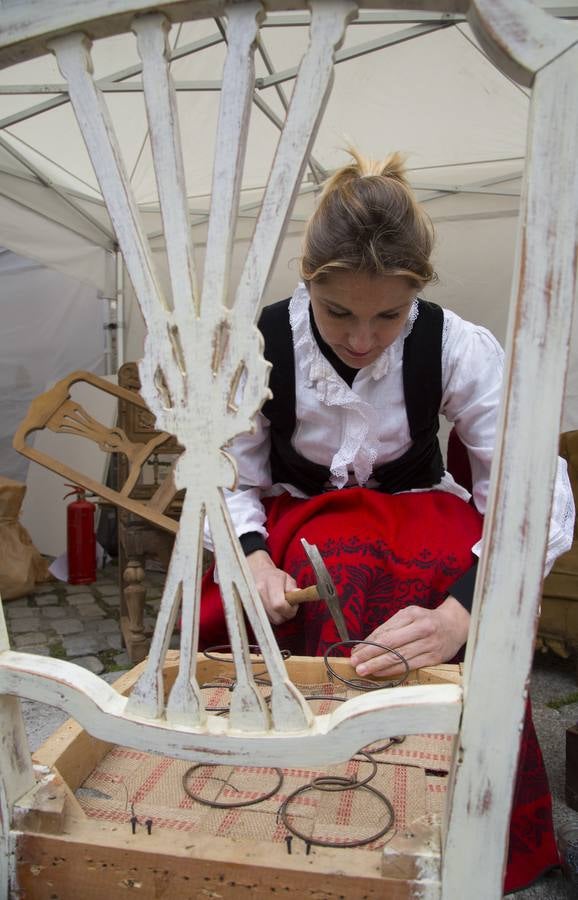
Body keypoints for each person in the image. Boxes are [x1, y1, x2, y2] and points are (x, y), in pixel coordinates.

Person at [200, 148, 575, 893]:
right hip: (297, 517)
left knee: (433, 580)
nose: (363, 339)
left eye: (389, 316)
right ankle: (299, 805)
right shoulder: (258, 347)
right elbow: (224, 472)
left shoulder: (458, 345)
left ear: (417, 295)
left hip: (416, 504)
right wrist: (251, 558)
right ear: (308, 282)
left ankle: (451, 815)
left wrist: (466, 611)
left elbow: (536, 494)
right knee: (320, 565)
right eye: (338, 312)